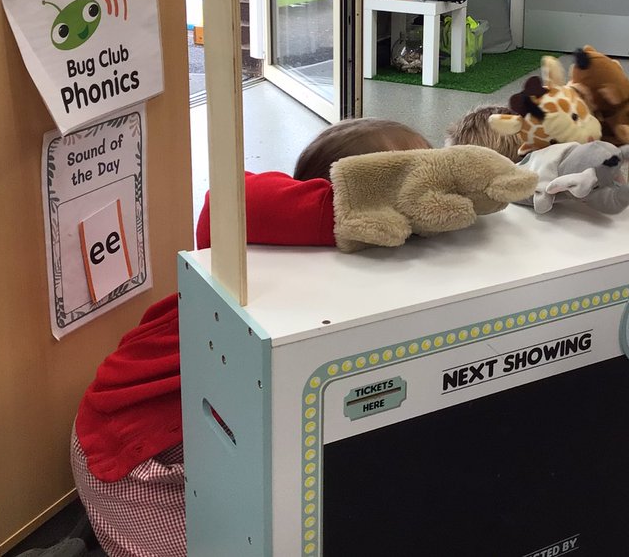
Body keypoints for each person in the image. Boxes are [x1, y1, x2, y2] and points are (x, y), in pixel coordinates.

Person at [71, 119, 430, 557]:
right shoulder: (273, 245)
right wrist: (347, 212)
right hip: (136, 461)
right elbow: (227, 199)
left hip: (209, 448)